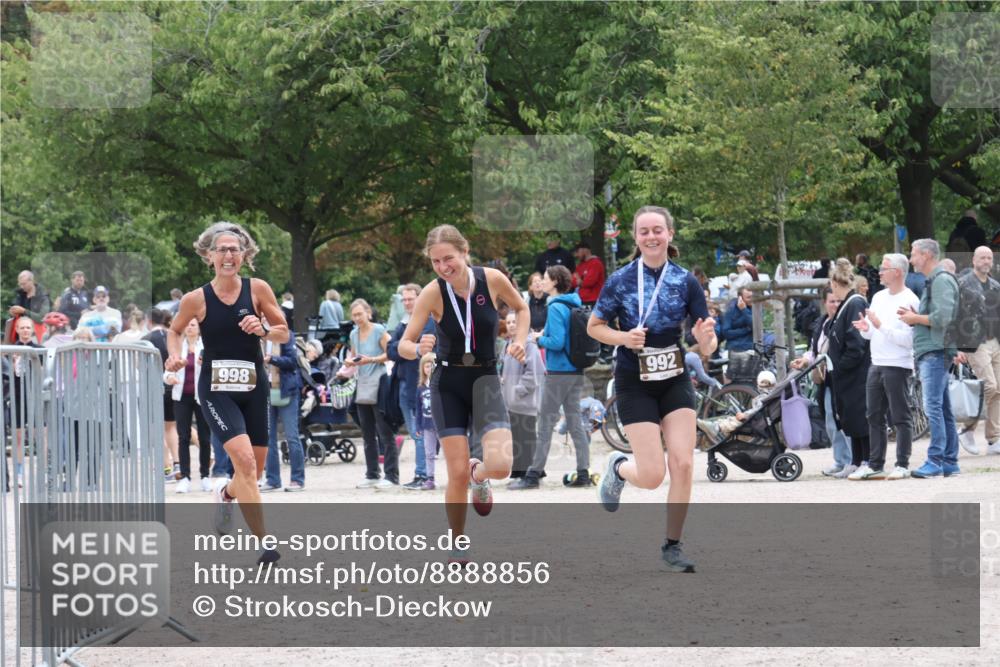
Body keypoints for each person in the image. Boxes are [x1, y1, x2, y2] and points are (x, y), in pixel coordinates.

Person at [587, 205, 717, 573]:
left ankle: (673, 545)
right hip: (634, 379)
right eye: (644, 231)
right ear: (636, 238)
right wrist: (624, 338)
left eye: (657, 230)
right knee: (652, 475)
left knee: (684, 462)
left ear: (670, 234)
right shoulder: (621, 280)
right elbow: (594, 327)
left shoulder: (685, 281)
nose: (651, 236)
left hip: (673, 377)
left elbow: (707, 345)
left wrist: (704, 340)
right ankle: (619, 467)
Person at [398, 224, 529, 565]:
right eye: (436, 262)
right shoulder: (432, 293)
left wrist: (519, 341)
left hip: (485, 378)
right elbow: (404, 343)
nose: (443, 267)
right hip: (448, 384)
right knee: (455, 474)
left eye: (449, 258)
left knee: (501, 467)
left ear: (465, 251)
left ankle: (480, 475)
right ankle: (457, 542)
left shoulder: (492, 280)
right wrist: (420, 351)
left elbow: (522, 308)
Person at [166, 221, 289, 565]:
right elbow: (174, 331)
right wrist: (175, 355)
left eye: (234, 249)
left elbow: (283, 332)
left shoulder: (258, 289)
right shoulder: (196, 299)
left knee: (254, 471)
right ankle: (265, 543)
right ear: (209, 256)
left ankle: (226, 491)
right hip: (216, 389)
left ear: (245, 255)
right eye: (221, 249)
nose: (228, 255)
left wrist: (264, 329)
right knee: (245, 462)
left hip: (254, 387)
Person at [510, 265, 589, 489]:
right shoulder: (573, 303)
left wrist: (537, 339)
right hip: (575, 370)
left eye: (545, 278)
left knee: (544, 423)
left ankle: (533, 475)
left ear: (555, 282)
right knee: (575, 423)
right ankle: (583, 472)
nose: (542, 281)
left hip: (558, 373)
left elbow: (557, 342)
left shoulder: (554, 307)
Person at [849, 253, 919, 480]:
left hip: (897, 364)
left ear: (897, 272)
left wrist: (880, 326)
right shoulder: (878, 297)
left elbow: (908, 340)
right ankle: (876, 464)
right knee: (873, 415)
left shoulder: (910, 300)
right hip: (876, 363)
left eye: (884, 268)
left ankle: (902, 463)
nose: (879, 272)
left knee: (900, 416)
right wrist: (865, 328)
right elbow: (872, 332)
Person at [898, 238, 960, 478]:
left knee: (932, 407)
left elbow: (942, 318)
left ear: (925, 255)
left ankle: (935, 460)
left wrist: (916, 319)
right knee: (943, 408)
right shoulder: (936, 281)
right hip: (936, 350)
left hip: (935, 351)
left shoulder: (941, 280)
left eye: (913, 254)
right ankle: (949, 461)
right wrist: (917, 316)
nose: (911, 259)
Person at [791, 288, 852, 475]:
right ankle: (840, 460)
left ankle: (852, 460)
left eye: (838, 301)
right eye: (832, 301)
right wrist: (805, 359)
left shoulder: (845, 322)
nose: (835, 305)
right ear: (824, 303)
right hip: (825, 378)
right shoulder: (822, 323)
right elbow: (815, 350)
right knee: (830, 419)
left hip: (841, 377)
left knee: (845, 420)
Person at [824, 258, 872, 479]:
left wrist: (841, 368)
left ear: (834, 283)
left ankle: (866, 459)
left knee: (860, 416)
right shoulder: (846, 305)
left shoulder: (855, 303)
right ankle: (855, 460)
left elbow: (856, 343)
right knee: (850, 417)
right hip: (844, 374)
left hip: (856, 373)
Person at [387, 283, 436, 490]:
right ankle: (421, 473)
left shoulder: (428, 322)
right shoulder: (402, 323)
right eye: (404, 299)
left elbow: (425, 350)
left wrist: (404, 347)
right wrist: (406, 347)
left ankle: (424, 474)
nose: (407, 303)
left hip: (421, 385)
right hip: (405, 385)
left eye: (410, 299)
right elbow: (391, 350)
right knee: (416, 433)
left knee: (422, 433)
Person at [347, 298, 398, 490]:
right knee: (367, 432)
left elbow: (391, 352)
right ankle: (372, 473)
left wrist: (371, 360)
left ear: (368, 312)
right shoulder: (353, 334)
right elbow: (353, 356)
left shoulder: (378, 330)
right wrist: (349, 364)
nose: (357, 318)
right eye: (354, 315)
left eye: (360, 314)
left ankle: (392, 475)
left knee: (385, 431)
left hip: (379, 382)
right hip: (362, 385)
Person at [955, 246, 1000, 456]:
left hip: (995, 342)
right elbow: (955, 316)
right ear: (973, 260)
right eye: (982, 257)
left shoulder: (995, 285)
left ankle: (993, 439)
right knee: (989, 386)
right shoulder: (963, 284)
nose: (986, 261)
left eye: (989, 258)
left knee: (999, 389)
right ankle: (967, 428)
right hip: (975, 342)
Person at [164, 318, 212, 493]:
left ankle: (205, 476)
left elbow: (215, 368)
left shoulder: (206, 346)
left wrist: (206, 364)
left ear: (199, 328)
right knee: (183, 436)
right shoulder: (177, 347)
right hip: (181, 395)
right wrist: (169, 378)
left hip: (202, 396)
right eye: (187, 325)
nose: (189, 327)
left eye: (193, 324)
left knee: (205, 437)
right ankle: (185, 477)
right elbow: (167, 371)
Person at [499, 311, 544, 479]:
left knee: (527, 439)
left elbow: (534, 373)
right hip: (511, 402)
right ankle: (519, 472)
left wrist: (518, 391)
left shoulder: (529, 345)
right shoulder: (507, 345)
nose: (511, 325)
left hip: (525, 402)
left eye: (514, 322)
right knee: (516, 439)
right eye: (509, 322)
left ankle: (531, 473)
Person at [260, 328, 306, 492]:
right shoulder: (257, 338)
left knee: (292, 436)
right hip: (265, 392)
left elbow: (292, 361)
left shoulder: (286, 336)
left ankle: (297, 479)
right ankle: (272, 480)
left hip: (287, 391)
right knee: (268, 438)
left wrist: (272, 359)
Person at [142, 309, 180, 483]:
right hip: (173, 384)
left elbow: (139, 366)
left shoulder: (146, 340)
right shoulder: (171, 336)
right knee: (171, 427)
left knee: (156, 428)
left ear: (148, 320)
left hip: (155, 386)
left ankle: (166, 468)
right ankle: (178, 463)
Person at [9, 316, 44, 486]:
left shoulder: (39, 349)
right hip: (17, 395)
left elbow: (45, 373)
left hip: (35, 395)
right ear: (16, 330)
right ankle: (19, 473)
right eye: (22, 328)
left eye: (28, 328)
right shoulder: (9, 349)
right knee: (18, 435)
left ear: (32, 330)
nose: (25, 331)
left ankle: (44, 472)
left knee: (40, 434)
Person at [416, 353, 437, 490]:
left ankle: (456, 477)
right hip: (427, 425)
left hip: (442, 425)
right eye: (426, 366)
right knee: (429, 452)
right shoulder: (420, 388)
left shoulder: (441, 385)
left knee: (450, 453)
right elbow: (418, 409)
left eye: (431, 365)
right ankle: (430, 478)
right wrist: (418, 426)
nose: (429, 368)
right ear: (422, 368)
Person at [573, 241, 606, 307]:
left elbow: (589, 282)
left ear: (585, 250)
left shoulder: (595, 263)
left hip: (593, 301)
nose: (576, 255)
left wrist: (580, 281)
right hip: (581, 301)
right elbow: (573, 282)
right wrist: (580, 281)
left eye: (578, 252)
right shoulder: (580, 265)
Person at [721, 288, 754, 353]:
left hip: (750, 347)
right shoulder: (731, 309)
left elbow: (755, 327)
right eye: (748, 297)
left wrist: (744, 310)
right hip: (734, 348)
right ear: (740, 298)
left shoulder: (755, 308)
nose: (752, 299)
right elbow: (726, 333)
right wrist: (746, 330)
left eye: (753, 297)